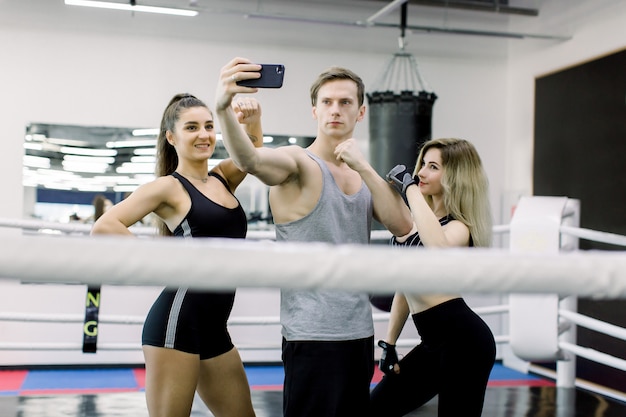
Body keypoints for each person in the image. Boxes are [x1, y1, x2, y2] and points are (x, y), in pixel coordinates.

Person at [214, 57, 413, 417]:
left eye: (345, 102)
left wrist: (364, 166)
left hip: (358, 333)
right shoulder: (298, 163)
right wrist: (222, 107)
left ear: (361, 112)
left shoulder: (363, 176)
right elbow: (250, 161)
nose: (335, 110)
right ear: (314, 111)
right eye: (327, 102)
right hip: (312, 336)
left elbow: (402, 225)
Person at [91, 93, 263, 417]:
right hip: (176, 325)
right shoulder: (169, 188)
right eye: (192, 127)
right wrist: (161, 261)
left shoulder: (223, 178)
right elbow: (104, 225)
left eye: (209, 126)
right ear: (172, 137)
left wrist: (253, 119)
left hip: (215, 328)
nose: (204, 134)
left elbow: (252, 154)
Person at [369, 138, 496, 417]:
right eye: (423, 165)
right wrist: (389, 343)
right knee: (374, 409)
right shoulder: (419, 223)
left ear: (454, 177)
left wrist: (409, 188)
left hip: (466, 343)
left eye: (433, 167)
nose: (421, 173)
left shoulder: (459, 228)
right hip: (433, 344)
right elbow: (406, 283)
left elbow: (436, 248)